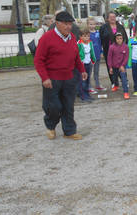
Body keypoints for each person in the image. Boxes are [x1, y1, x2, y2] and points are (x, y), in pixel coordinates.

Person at [34, 11, 87, 140]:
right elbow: (38, 60)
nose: (68, 27)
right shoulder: (47, 38)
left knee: (68, 106)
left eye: (70, 24)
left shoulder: (72, 38)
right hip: (52, 79)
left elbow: (76, 57)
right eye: (65, 24)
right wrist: (44, 77)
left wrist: (82, 70)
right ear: (57, 23)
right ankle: (50, 126)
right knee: (54, 106)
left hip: (69, 77)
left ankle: (69, 131)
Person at [100, 11, 128, 87]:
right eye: (111, 17)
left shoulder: (120, 26)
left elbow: (125, 37)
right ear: (108, 18)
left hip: (120, 51)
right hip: (108, 50)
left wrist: (125, 47)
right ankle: (114, 82)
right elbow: (101, 40)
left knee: (121, 65)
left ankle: (124, 80)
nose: (112, 18)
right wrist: (101, 51)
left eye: (114, 17)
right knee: (111, 66)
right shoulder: (103, 27)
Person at [107, 32, 130, 99]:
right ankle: (116, 85)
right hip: (114, 66)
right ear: (115, 39)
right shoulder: (112, 47)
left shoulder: (126, 47)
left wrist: (123, 65)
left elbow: (126, 57)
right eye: (117, 39)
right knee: (114, 77)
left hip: (122, 67)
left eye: (121, 38)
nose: (119, 40)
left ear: (123, 39)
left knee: (124, 79)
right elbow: (109, 57)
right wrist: (110, 67)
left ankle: (126, 92)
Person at [77, 28, 97, 102]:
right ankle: (83, 96)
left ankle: (87, 94)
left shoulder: (90, 43)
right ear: (80, 36)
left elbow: (92, 52)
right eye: (85, 36)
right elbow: (77, 55)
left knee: (88, 80)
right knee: (83, 81)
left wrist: (93, 59)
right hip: (82, 64)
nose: (87, 38)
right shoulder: (79, 44)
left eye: (88, 36)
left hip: (88, 63)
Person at [87, 17, 106, 93]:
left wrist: (101, 52)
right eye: (90, 24)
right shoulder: (86, 34)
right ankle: (88, 86)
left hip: (97, 55)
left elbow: (100, 43)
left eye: (93, 24)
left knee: (96, 71)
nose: (92, 26)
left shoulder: (97, 33)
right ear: (87, 25)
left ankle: (97, 85)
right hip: (90, 56)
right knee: (89, 72)